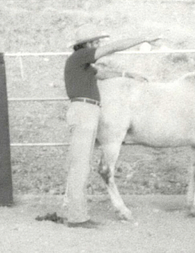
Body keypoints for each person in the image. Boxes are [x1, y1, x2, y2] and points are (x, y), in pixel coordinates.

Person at [62, 31, 161, 228]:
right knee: (80, 165)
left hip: (88, 111)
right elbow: (113, 47)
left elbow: (103, 74)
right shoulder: (80, 57)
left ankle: (71, 211)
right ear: (86, 44)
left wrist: (126, 74)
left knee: (81, 163)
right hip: (84, 111)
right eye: (95, 41)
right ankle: (77, 218)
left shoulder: (84, 65)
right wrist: (142, 38)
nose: (98, 44)